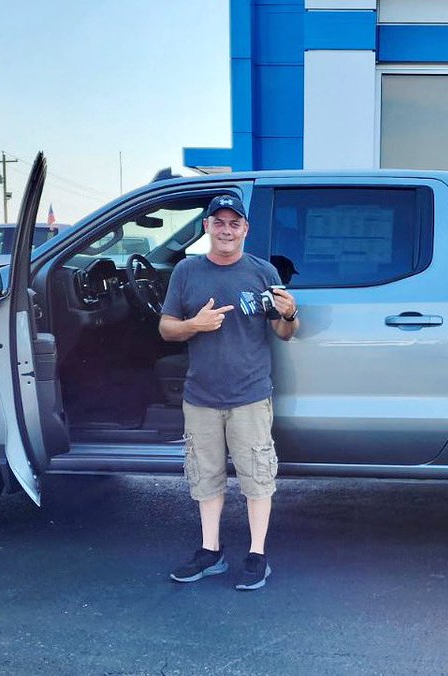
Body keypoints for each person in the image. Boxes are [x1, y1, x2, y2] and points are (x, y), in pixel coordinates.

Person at [158, 194, 298, 591]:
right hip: (201, 395)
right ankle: (210, 550)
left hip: (250, 395)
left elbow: (284, 333)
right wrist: (194, 325)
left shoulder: (262, 271)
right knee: (206, 477)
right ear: (206, 228)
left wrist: (290, 314)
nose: (226, 229)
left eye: (233, 223)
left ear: (245, 230)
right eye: (218, 222)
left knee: (257, 476)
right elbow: (167, 328)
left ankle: (257, 555)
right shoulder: (186, 272)